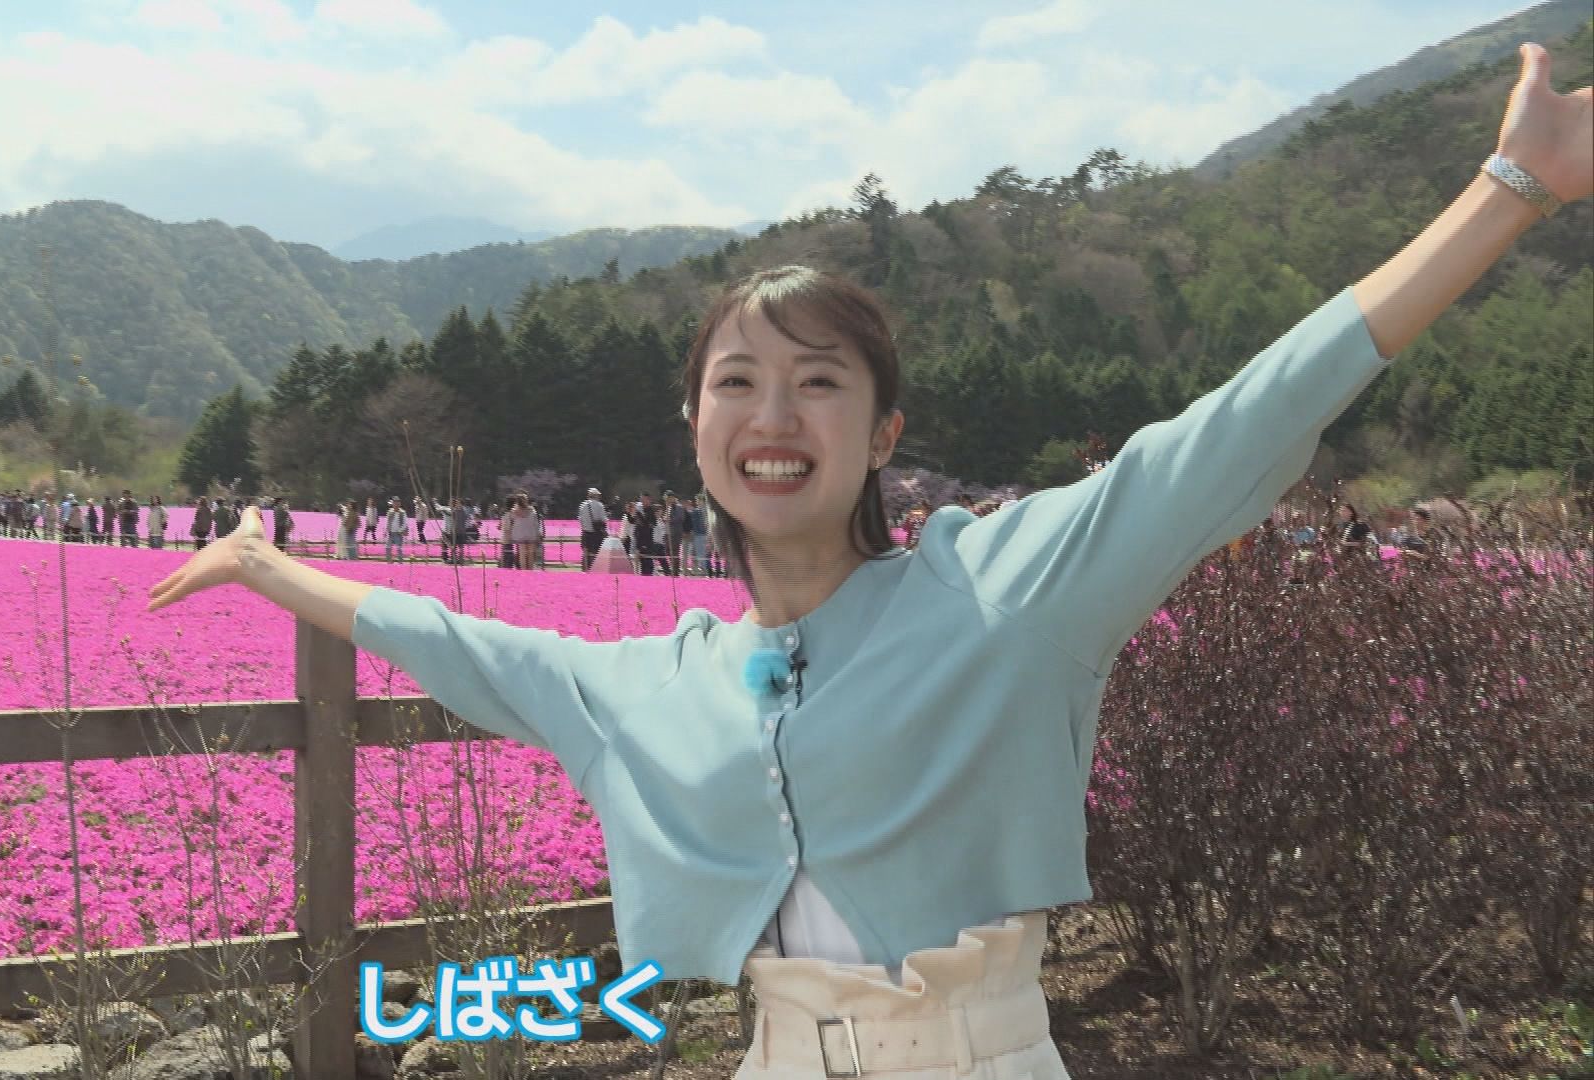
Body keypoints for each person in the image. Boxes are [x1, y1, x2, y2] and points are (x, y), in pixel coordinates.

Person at [148, 53, 1588, 1079]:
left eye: (818, 383)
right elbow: (459, 641)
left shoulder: (1005, 594)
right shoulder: (647, 684)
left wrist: (1510, 187)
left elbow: (1242, 422)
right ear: (693, 423)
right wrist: (274, 572)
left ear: (885, 428)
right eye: (736, 384)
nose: (773, 420)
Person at [578, 487, 609, 571]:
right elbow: (604, 519)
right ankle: (595, 569)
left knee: (586, 552)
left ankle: (585, 569)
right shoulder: (599, 505)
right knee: (596, 553)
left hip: (585, 532)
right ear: (596, 496)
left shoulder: (582, 505)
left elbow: (580, 519)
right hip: (596, 533)